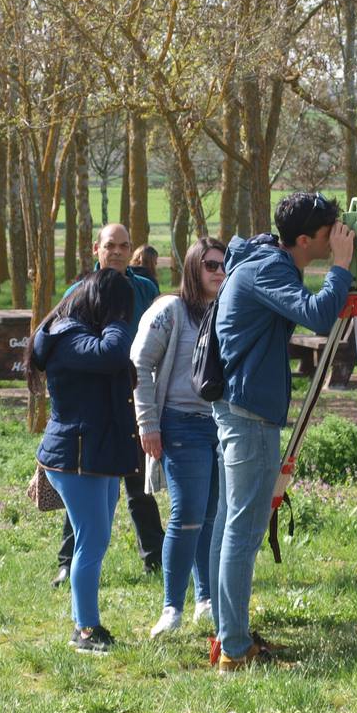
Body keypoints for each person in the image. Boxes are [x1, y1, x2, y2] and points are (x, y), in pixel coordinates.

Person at [209, 193, 355, 673]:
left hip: (244, 409)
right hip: (249, 414)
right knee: (244, 530)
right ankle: (234, 647)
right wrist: (342, 266)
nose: (335, 236)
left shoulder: (264, 261)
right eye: (328, 231)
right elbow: (316, 315)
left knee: (233, 526)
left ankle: (229, 635)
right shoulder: (267, 268)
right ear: (304, 239)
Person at [28, 269, 142, 654]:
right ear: (105, 305)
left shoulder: (79, 335)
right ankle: (85, 630)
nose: (126, 319)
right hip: (76, 456)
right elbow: (112, 354)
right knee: (91, 543)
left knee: (95, 540)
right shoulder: (68, 337)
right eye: (122, 310)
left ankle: (85, 622)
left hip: (96, 454)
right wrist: (118, 321)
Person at [51, 224, 164, 587]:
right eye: (109, 245)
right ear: (95, 248)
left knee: (138, 483)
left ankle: (156, 559)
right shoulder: (78, 291)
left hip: (136, 394)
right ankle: (68, 561)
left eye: (123, 246)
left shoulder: (145, 288)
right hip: (96, 401)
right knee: (86, 482)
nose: (116, 252)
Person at [132, 237, 226, 638]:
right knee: (186, 517)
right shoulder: (170, 310)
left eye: (224, 264)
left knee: (211, 517)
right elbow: (139, 362)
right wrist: (148, 424)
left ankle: (206, 600)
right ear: (193, 267)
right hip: (181, 424)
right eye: (210, 265)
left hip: (222, 427)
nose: (219, 272)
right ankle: (172, 607)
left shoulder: (228, 310)